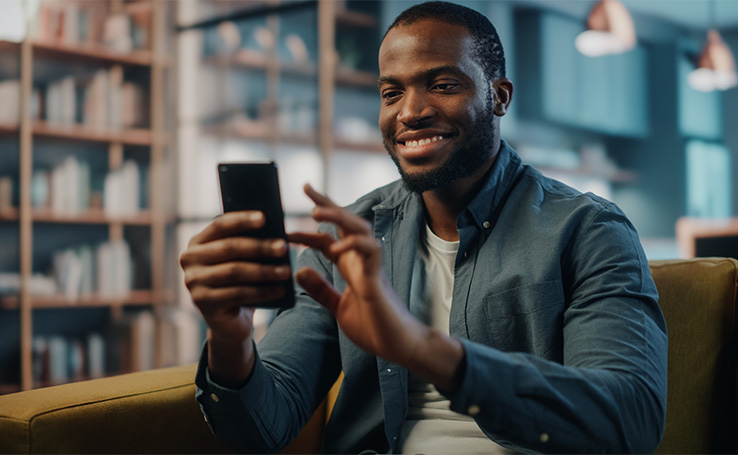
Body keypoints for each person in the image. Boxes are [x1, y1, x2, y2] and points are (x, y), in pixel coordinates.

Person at [179, 2, 668, 453]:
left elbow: (631, 420)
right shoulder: (346, 241)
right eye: (392, 92)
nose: (410, 112)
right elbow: (263, 428)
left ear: (499, 97)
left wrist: (424, 349)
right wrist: (230, 337)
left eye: (442, 84)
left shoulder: (588, 230)